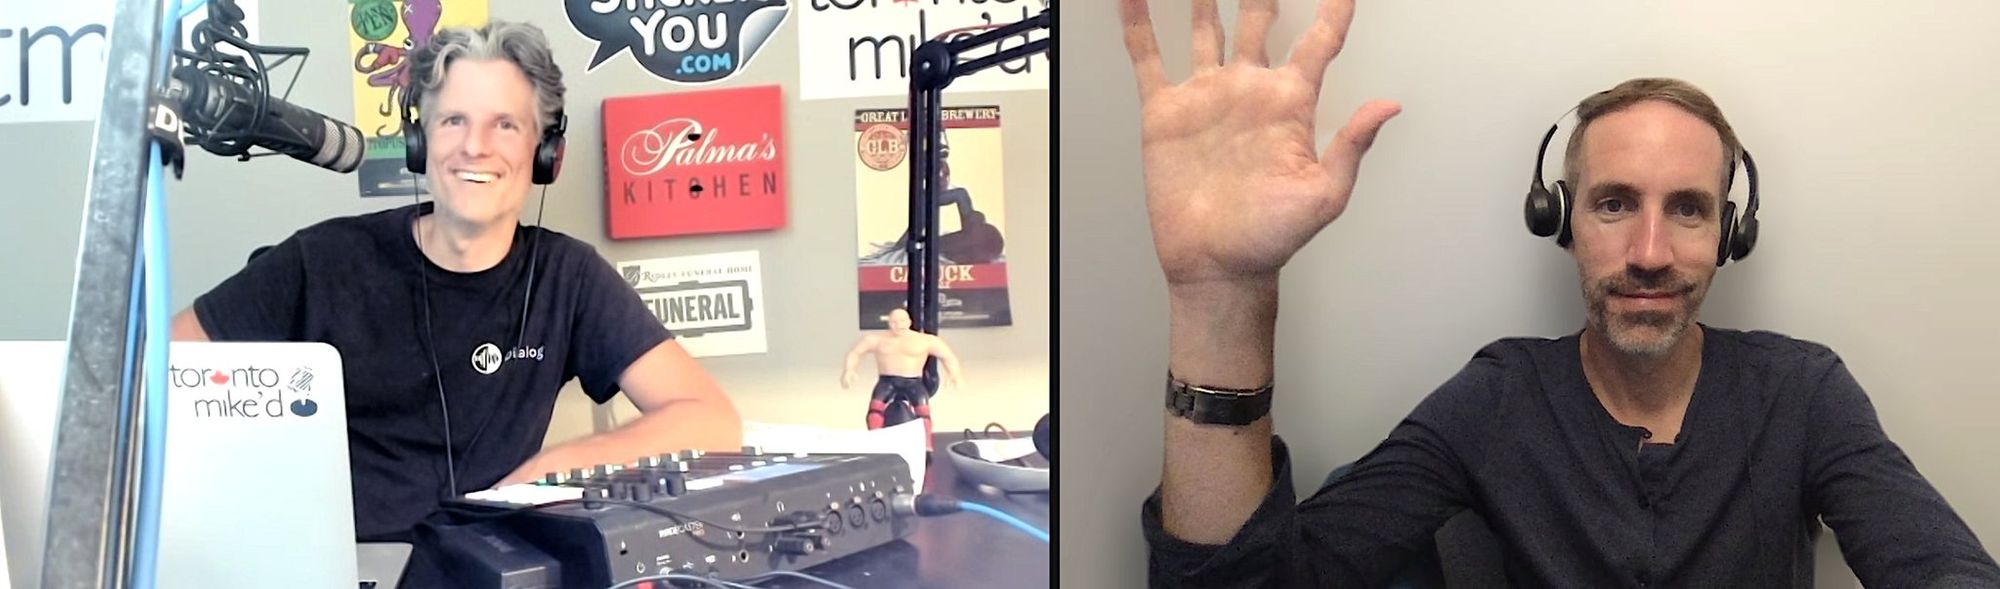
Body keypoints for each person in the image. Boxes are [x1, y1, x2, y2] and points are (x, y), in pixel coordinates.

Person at [1118, 0, 2000, 586]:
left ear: (1731, 233)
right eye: (1614, 204)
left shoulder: (1802, 392)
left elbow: (1941, 567)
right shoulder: (1498, 398)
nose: (1649, 252)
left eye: (1688, 208)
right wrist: (1219, 297)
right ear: (1560, 218)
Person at [169, 21, 743, 542]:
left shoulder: (568, 276)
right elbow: (161, 377)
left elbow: (710, 417)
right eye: (453, 121)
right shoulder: (320, 260)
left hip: (493, 560)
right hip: (340, 565)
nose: (475, 146)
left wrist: (555, 471)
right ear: (419, 141)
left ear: (546, 152)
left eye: (505, 125)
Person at [842, 307, 965, 450]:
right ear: (888, 322)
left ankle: (926, 445)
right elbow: (855, 353)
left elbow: (948, 356)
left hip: (913, 382)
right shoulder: (876, 340)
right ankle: (875, 442)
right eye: (894, 322)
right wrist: (849, 370)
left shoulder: (925, 340)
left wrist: (955, 374)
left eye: (901, 321)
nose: (898, 325)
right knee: (875, 410)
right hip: (887, 381)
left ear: (909, 322)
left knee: (923, 412)